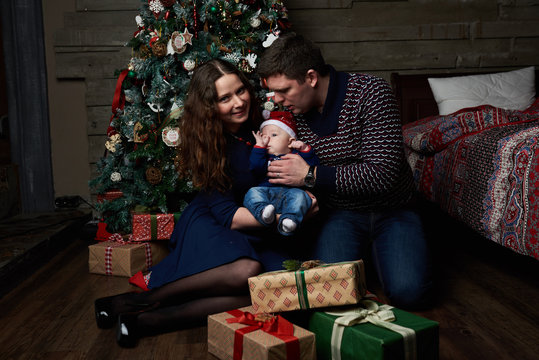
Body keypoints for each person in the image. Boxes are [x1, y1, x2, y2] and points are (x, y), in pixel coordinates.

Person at [94, 59, 317, 347]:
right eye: (225, 98)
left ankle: (145, 319)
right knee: (247, 270)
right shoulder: (208, 141)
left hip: (260, 223)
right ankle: (139, 301)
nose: (239, 102)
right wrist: (293, 215)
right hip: (217, 221)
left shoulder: (266, 122)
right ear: (210, 106)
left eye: (240, 91)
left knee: (273, 288)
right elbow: (230, 216)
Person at [257, 32, 432, 309]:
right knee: (328, 295)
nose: (277, 99)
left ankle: (385, 257)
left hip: (393, 209)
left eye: (284, 90)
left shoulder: (371, 93)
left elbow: (381, 174)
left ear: (311, 77)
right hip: (340, 213)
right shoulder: (292, 114)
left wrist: (310, 175)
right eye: (274, 91)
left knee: (409, 293)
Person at [243, 110, 319, 235]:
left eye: (273, 135)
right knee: (252, 193)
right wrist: (259, 147)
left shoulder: (296, 156)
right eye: (263, 136)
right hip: (267, 193)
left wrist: (305, 150)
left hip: (291, 193)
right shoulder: (263, 157)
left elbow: (312, 167)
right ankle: (263, 212)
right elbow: (256, 168)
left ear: (290, 141)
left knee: (302, 197)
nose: (267, 139)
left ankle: (289, 221)